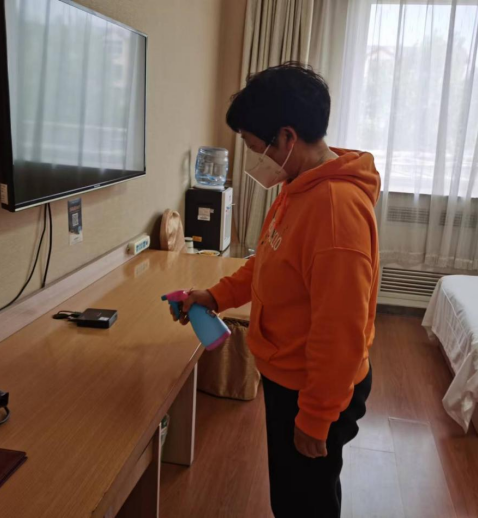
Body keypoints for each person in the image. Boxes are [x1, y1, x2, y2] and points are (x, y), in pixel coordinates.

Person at [172, 63, 380, 519]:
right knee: (290, 494)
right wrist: (216, 296)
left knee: (305, 503)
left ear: (287, 137)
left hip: (315, 386)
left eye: (253, 146)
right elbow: (266, 262)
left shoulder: (334, 212)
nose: (252, 159)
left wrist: (316, 417)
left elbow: (340, 333)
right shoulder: (298, 188)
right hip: (292, 375)